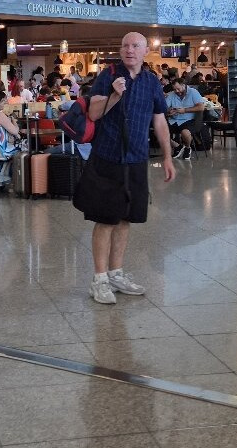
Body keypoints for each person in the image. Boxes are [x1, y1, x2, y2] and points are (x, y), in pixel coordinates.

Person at [85, 32, 174, 305]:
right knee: (106, 219)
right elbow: (93, 113)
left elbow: (159, 120)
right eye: (125, 45)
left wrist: (168, 156)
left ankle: (116, 273)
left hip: (136, 158)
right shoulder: (108, 75)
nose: (129, 50)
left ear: (146, 50)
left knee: (125, 218)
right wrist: (114, 94)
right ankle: (99, 280)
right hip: (108, 156)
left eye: (135, 45)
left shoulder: (151, 82)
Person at [164, 77, 206, 160]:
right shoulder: (172, 94)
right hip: (174, 120)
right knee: (158, 132)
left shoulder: (193, 92)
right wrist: (169, 111)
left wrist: (185, 110)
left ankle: (187, 147)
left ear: (183, 85)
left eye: (178, 89)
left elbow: (201, 107)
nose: (177, 91)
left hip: (190, 120)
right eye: (174, 89)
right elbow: (164, 107)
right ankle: (178, 146)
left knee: (185, 132)